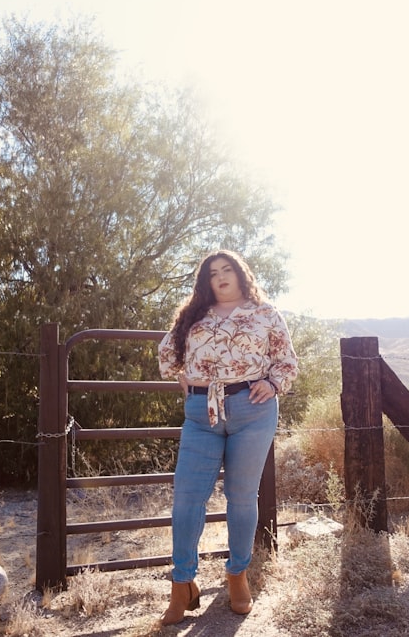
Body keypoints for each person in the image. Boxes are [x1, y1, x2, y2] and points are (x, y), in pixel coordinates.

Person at [157, 249, 298, 625]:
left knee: (240, 496)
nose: (220, 277)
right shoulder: (193, 315)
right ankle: (182, 583)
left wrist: (272, 382)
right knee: (187, 498)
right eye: (212, 273)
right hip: (201, 413)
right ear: (205, 282)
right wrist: (180, 374)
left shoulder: (264, 313)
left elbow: (287, 361)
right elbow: (167, 354)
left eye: (227, 270)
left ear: (240, 274)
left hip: (252, 410)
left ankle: (237, 575)